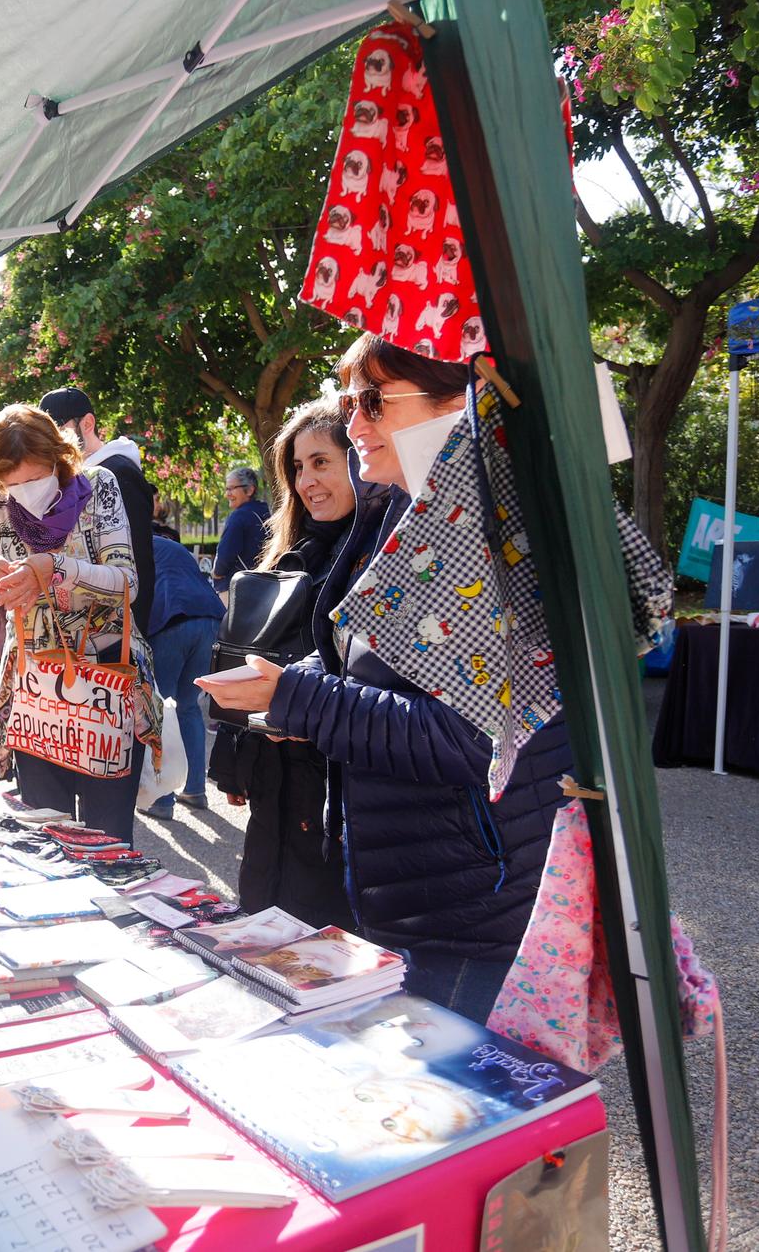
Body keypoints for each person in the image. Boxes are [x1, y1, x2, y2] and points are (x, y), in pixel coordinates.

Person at [198, 335, 573, 1019]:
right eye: (349, 401)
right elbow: (374, 666)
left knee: (460, 1106)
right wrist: (289, 688)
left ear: (453, 403)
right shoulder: (410, 508)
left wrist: (293, 695)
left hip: (468, 906)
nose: (355, 422)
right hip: (422, 888)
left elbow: (469, 738)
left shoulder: (478, 524)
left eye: (372, 401)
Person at [0, 405, 160, 841]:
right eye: (10, 485)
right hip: (35, 696)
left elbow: (127, 583)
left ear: (56, 459)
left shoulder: (98, 486)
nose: (22, 492)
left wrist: (55, 567)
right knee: (47, 836)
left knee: (108, 837)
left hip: (106, 681)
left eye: (31, 479)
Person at [209, 400, 364, 930]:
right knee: (264, 921)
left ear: (358, 459)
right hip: (273, 773)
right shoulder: (288, 552)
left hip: (334, 783)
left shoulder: (378, 553)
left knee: (317, 931)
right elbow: (255, 653)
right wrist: (233, 758)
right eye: (297, 467)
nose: (306, 481)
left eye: (321, 462)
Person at [40, 387, 157, 638]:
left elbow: (138, 563)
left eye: (58, 428)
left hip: (115, 638)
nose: (51, 440)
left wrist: (131, 635)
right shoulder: (70, 478)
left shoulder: (117, 473)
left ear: (88, 423)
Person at [141, 526, 225, 821]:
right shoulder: (170, 547)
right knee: (188, 707)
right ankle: (194, 789)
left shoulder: (132, 545)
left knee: (161, 710)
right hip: (209, 621)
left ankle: (162, 799)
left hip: (171, 622)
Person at [212, 465, 271, 594]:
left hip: (239, 589)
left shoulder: (239, 516)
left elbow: (225, 553)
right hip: (266, 585)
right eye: (226, 489)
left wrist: (216, 573)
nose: (227, 494)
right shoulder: (266, 512)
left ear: (249, 490)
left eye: (231, 489)